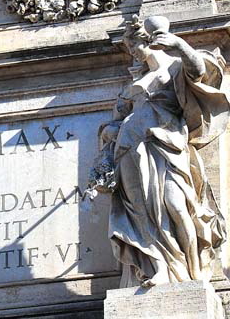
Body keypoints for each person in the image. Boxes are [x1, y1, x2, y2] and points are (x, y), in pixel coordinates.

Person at [90, 16, 230, 287]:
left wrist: (179, 44)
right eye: (130, 50)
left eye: (136, 47)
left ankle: (192, 271)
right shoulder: (132, 86)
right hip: (130, 149)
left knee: (177, 207)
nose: (134, 54)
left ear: (151, 42)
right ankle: (159, 268)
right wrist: (110, 132)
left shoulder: (175, 69)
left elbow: (198, 71)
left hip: (167, 147)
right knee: (142, 214)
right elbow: (115, 122)